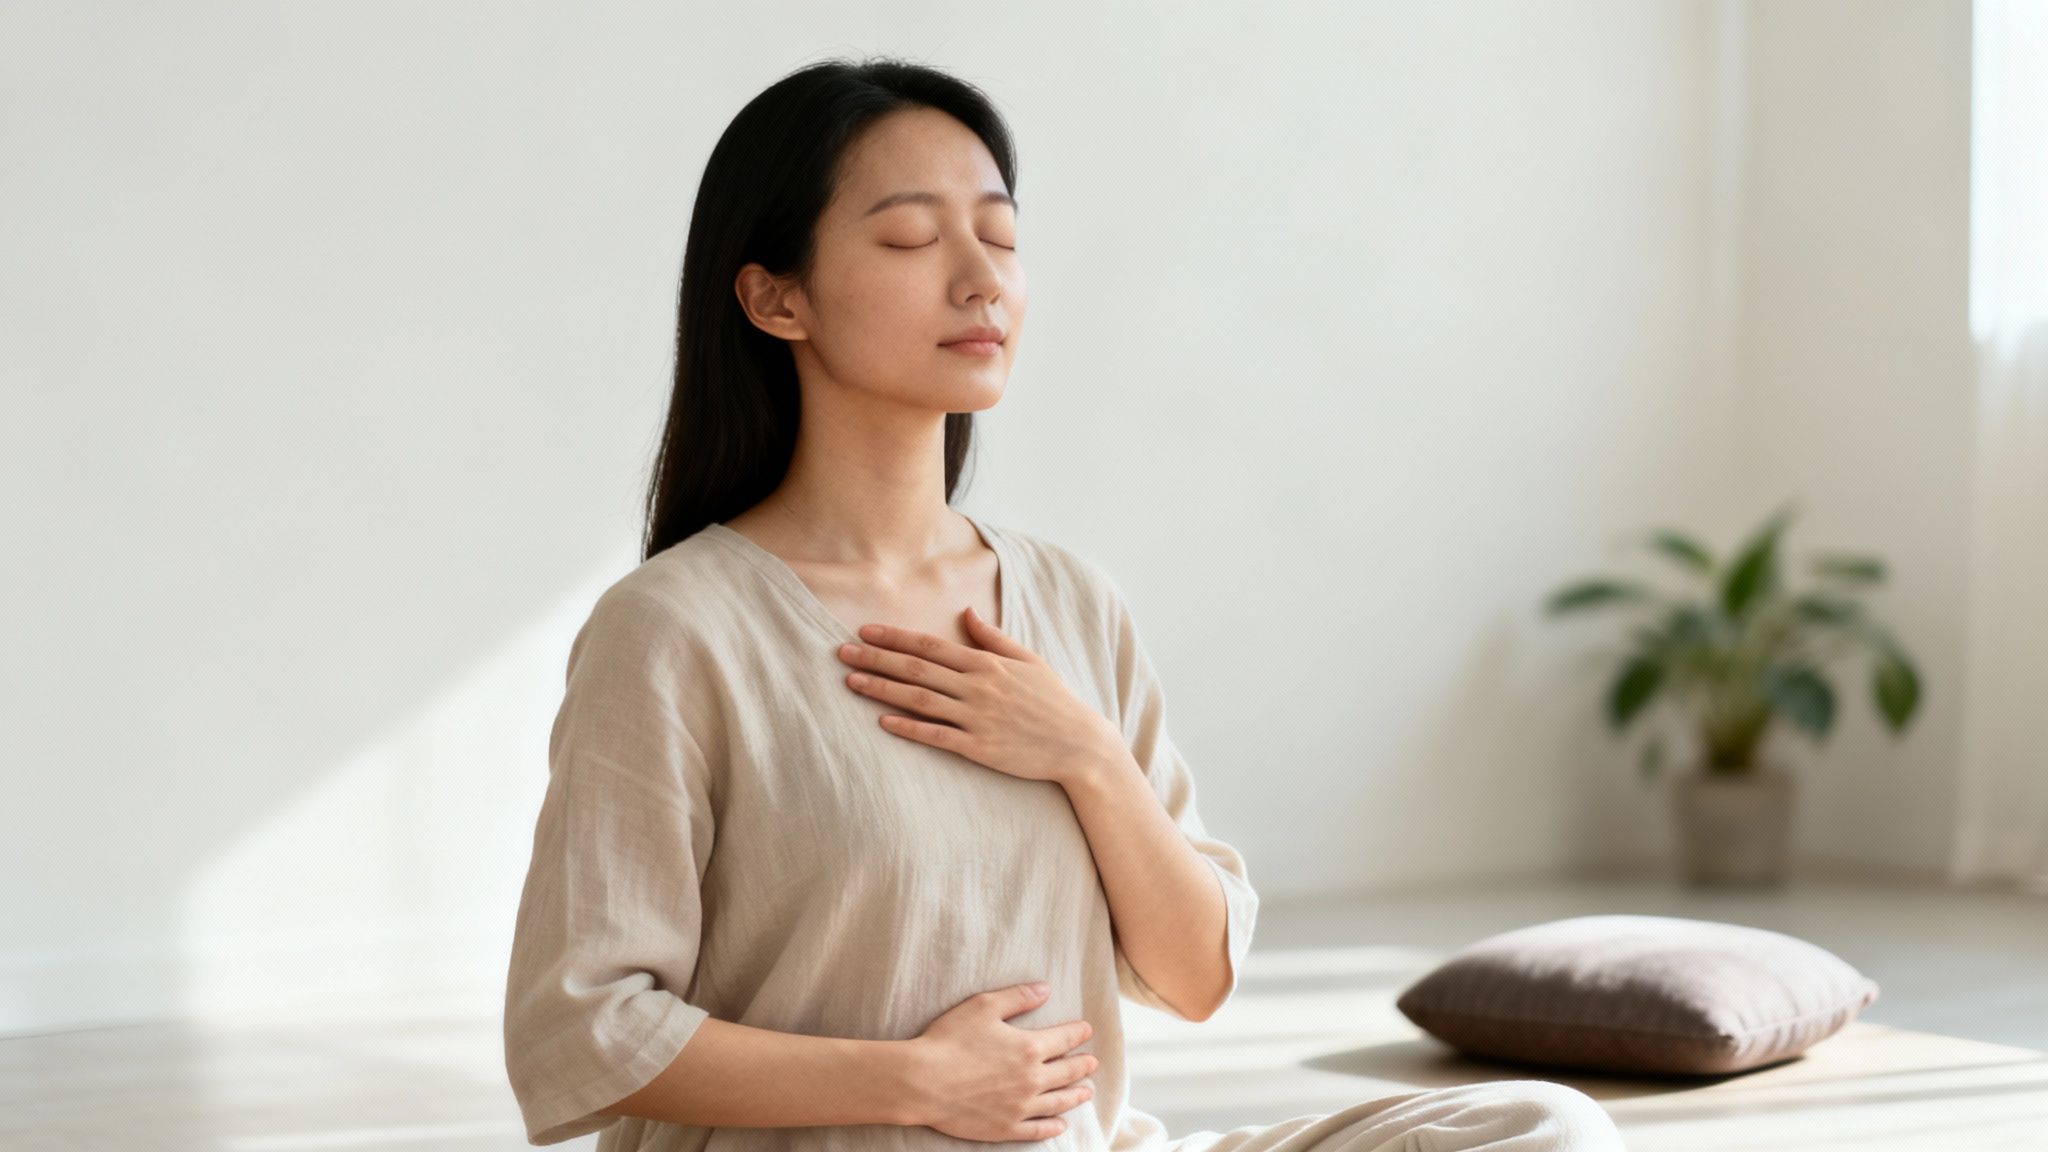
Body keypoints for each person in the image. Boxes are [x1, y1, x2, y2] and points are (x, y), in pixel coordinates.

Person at [501, 54, 1628, 1152]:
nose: (980, 279)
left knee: (1544, 1129)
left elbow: (1196, 976)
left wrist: (1083, 754)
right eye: (911, 238)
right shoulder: (676, 629)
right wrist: (916, 1082)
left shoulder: (1070, 602)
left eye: (999, 238)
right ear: (775, 297)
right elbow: (582, 1026)